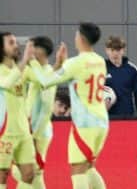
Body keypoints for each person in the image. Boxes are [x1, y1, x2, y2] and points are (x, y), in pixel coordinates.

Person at [29, 22, 110, 189]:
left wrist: (33, 62)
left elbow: (45, 81)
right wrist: (62, 64)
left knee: (77, 169)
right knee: (89, 167)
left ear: (80, 38)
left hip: (84, 124)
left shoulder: (75, 62)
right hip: (101, 120)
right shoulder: (100, 60)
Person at [0, 32, 37, 187]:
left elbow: (44, 81)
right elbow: (8, 83)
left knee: (29, 174)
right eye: (11, 43)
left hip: (23, 131)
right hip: (4, 132)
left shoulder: (22, 68)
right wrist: (24, 61)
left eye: (16, 42)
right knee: (2, 176)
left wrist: (57, 65)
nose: (16, 45)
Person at [20, 35, 57, 189]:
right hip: (26, 127)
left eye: (32, 47)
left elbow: (46, 109)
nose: (29, 51)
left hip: (38, 132)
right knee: (34, 172)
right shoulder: (30, 69)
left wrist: (34, 135)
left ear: (41, 52)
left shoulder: (48, 73)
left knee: (30, 173)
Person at [103, 35, 137, 118]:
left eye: (118, 50)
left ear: (123, 50)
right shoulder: (100, 68)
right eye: (112, 50)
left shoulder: (132, 69)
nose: (115, 53)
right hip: (106, 118)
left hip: (127, 118)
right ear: (106, 50)